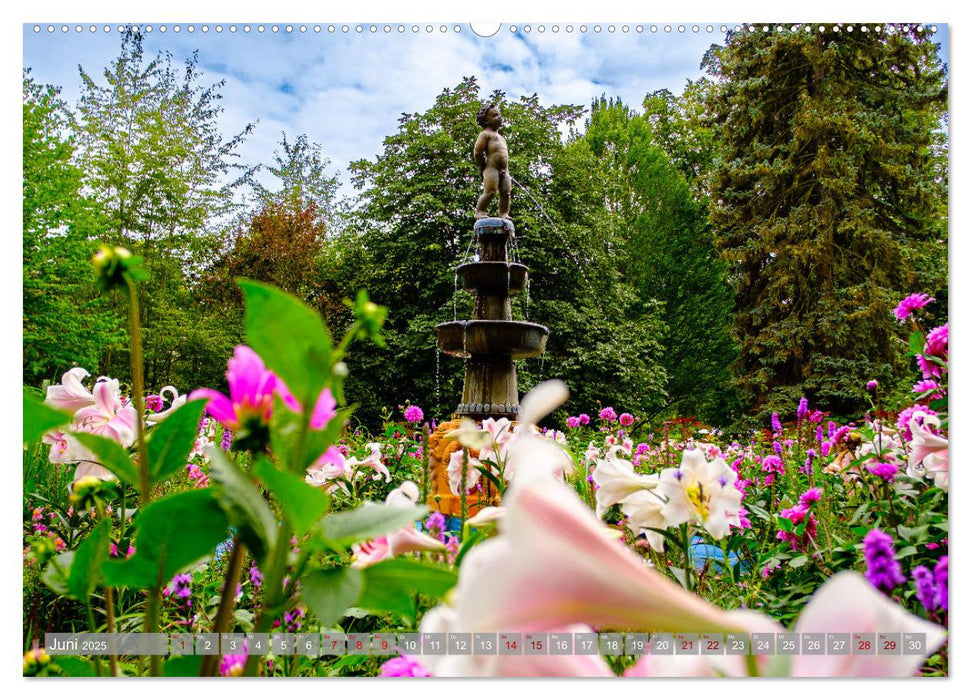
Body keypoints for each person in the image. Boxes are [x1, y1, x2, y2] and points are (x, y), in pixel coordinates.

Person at [473, 104, 511, 220]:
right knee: (491, 191)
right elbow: (477, 152)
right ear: (486, 120)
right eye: (495, 115)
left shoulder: (502, 138)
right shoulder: (485, 134)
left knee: (506, 193)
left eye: (499, 114)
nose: (499, 117)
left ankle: (504, 213)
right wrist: (482, 166)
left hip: (505, 170)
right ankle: (480, 211)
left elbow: (504, 155)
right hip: (491, 168)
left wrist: (506, 170)